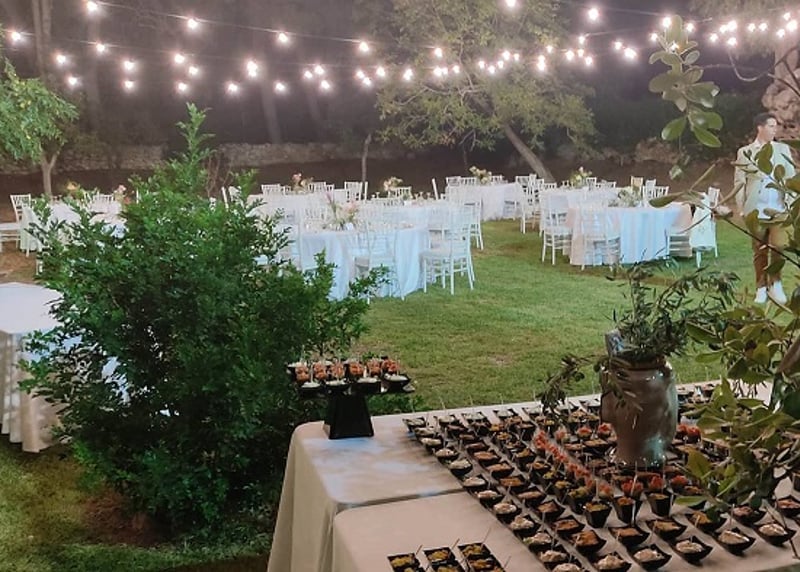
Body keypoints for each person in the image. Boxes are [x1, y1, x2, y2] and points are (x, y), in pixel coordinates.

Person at [733, 112, 796, 304]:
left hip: (779, 210)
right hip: (756, 211)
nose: (775, 130)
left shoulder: (782, 149)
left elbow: (791, 178)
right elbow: (739, 183)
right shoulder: (745, 152)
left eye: (776, 126)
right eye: (771, 126)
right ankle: (761, 287)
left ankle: (776, 284)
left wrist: (792, 203)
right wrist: (742, 208)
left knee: (779, 247)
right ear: (760, 127)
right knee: (759, 251)